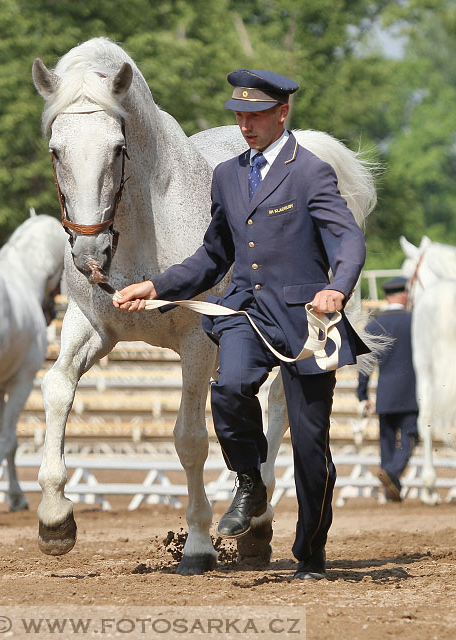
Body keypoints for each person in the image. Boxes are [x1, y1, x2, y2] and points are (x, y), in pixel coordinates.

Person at [114, 69, 368, 581]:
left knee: (313, 446)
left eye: (255, 116)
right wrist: (157, 288)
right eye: (239, 116)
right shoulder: (227, 175)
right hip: (246, 314)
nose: (245, 125)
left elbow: (348, 240)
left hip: (307, 318)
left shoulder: (311, 172)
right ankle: (249, 481)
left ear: (282, 114)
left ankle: (311, 553)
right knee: (228, 387)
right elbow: (213, 256)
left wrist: (337, 286)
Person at [356, 276, 418, 502]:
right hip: (412, 392)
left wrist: (362, 394)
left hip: (385, 392)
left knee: (387, 440)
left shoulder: (374, 324)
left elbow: (364, 364)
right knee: (411, 436)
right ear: (404, 294)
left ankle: (391, 489)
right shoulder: (416, 321)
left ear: (386, 296)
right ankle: (392, 472)